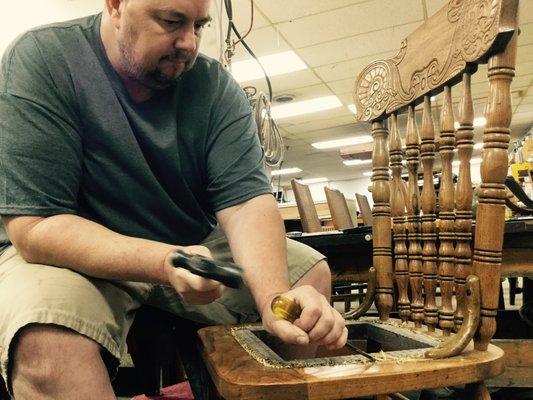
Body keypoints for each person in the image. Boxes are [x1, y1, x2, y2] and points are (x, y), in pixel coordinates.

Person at [0, 0, 347, 398]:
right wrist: (164, 262)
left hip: (187, 245)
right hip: (74, 255)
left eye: (200, 25)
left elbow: (246, 202)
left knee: (307, 279)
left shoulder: (214, 86)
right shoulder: (44, 60)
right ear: (115, 5)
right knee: (47, 342)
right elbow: (35, 227)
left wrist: (273, 297)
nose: (189, 43)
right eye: (171, 22)